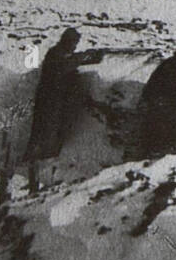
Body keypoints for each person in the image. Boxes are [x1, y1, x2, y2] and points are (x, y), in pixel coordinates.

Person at [24, 27, 114, 162]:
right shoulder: (55, 53)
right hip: (48, 100)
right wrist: (82, 55)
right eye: (73, 43)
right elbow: (65, 65)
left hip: (57, 100)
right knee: (43, 131)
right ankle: (33, 161)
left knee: (53, 130)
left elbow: (75, 61)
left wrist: (96, 56)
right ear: (66, 41)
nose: (74, 46)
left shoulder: (63, 54)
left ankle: (45, 158)